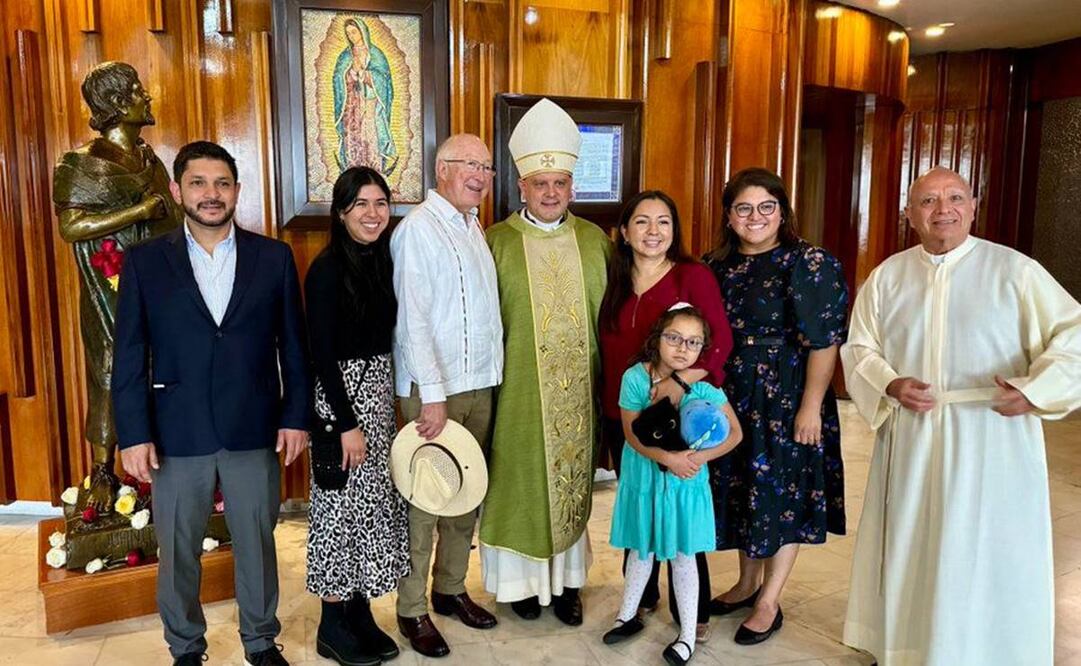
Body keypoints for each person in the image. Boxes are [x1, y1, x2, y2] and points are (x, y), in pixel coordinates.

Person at [841, 166, 1081, 665]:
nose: (942, 209)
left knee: (985, 546)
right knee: (915, 544)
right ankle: (910, 646)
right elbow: (859, 346)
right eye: (927, 201)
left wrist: (1036, 390)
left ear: (974, 206)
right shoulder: (889, 276)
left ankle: (991, 650)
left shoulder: (1015, 271)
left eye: (954, 198)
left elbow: (1073, 334)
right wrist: (890, 382)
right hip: (913, 434)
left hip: (992, 431)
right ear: (910, 214)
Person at [112, 141, 310, 666]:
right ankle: (185, 647)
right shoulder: (145, 262)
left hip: (254, 425)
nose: (211, 194)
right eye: (198, 183)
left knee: (257, 544)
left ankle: (262, 642)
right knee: (177, 551)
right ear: (178, 191)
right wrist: (133, 433)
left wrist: (295, 417)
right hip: (176, 433)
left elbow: (293, 346)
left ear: (237, 191)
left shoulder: (274, 257)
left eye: (222, 183)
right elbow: (129, 353)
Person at [478, 97, 611, 626]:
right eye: (540, 184)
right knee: (519, 482)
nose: (551, 192)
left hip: (578, 392)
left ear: (572, 187)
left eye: (559, 183)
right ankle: (522, 586)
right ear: (522, 187)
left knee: (572, 484)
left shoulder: (596, 241)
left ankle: (568, 584)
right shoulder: (496, 242)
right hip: (517, 392)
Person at [705, 167, 848, 645]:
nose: (755, 217)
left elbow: (825, 341)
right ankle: (746, 583)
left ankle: (769, 599)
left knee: (782, 495)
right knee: (744, 489)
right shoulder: (714, 265)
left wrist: (810, 406)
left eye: (767, 207)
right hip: (732, 394)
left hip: (787, 395)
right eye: (743, 208)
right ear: (728, 216)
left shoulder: (809, 262)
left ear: (782, 212)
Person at [597, 190, 732, 638]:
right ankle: (641, 598)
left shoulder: (692, 275)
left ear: (674, 231)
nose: (653, 232)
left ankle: (693, 614)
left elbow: (718, 344)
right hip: (626, 408)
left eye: (663, 222)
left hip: (679, 411)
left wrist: (677, 385)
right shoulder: (615, 275)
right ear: (624, 231)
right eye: (641, 222)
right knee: (642, 498)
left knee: (678, 500)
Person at [390, 133, 503, 658]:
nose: (480, 175)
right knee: (425, 502)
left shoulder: (472, 225)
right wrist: (432, 396)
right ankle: (412, 609)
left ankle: (450, 587)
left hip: (478, 383)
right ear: (441, 169)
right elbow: (413, 320)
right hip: (434, 392)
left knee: (466, 497)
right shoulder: (418, 229)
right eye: (469, 165)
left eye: (486, 166)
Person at [53, 61, 182, 514]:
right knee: (109, 372)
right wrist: (136, 211)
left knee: (163, 369)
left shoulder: (151, 160)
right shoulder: (80, 164)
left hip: (159, 287)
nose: (147, 96)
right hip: (108, 288)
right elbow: (73, 226)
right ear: (115, 103)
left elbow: (170, 219)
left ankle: (160, 463)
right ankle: (103, 470)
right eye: (137, 90)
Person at [304, 167, 408, 666]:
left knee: (372, 514)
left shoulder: (385, 261)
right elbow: (320, 355)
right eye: (361, 204)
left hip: (378, 398)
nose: (373, 214)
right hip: (339, 405)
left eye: (381, 203)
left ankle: (360, 611)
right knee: (338, 514)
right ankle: (331, 623)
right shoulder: (325, 270)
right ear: (341, 212)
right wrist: (347, 424)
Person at [603, 305, 742, 666]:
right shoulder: (636, 378)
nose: (683, 348)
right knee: (641, 550)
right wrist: (668, 459)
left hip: (684, 488)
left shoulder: (706, 390)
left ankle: (687, 634)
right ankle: (627, 614)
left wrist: (697, 459)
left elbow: (735, 433)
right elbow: (632, 432)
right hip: (645, 482)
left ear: (702, 349)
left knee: (683, 558)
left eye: (693, 342)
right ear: (657, 338)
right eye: (674, 338)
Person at [333, 17, 396, 174]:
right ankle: (353, 169)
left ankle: (374, 169)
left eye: (354, 32)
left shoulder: (376, 54)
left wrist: (366, 75)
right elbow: (337, 78)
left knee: (370, 134)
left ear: (362, 32)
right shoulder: (345, 56)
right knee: (353, 134)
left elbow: (384, 79)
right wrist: (349, 75)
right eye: (348, 33)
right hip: (351, 103)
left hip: (369, 101)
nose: (352, 36)